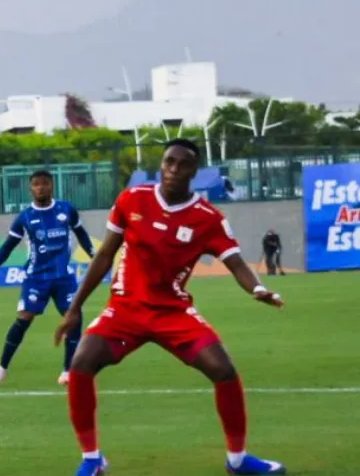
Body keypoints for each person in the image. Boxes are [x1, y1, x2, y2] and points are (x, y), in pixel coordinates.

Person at [55, 139, 286, 476]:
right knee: (80, 365)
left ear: (195, 171)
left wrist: (259, 287)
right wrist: (75, 308)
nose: (173, 170)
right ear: (161, 164)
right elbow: (105, 254)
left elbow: (235, 262)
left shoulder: (208, 218)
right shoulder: (132, 199)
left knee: (223, 370)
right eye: (168, 162)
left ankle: (237, 459)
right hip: (125, 309)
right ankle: (92, 459)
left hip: (172, 313)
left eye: (183, 165)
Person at [0, 170, 95, 387]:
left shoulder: (66, 209)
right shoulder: (25, 218)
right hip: (36, 278)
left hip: (63, 277)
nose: (41, 187)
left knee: (74, 317)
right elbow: (9, 245)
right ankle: (2, 368)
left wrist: (94, 255)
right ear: (30, 188)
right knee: (24, 319)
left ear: (52, 185)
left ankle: (68, 370)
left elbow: (81, 234)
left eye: (45, 183)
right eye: (36, 184)